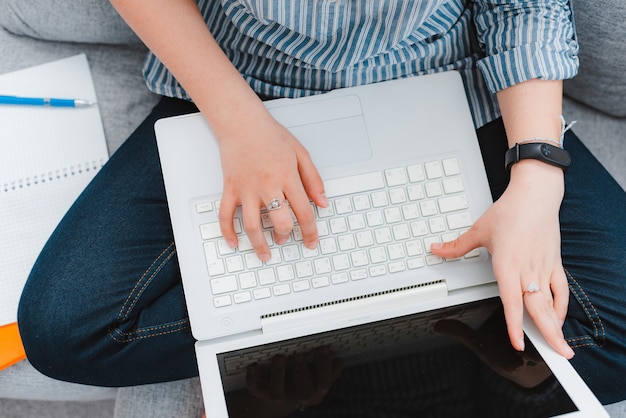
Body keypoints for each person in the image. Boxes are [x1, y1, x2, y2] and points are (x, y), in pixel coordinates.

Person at [16, 0, 626, 406]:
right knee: (62, 332)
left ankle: (326, 351)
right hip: (243, 84)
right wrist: (239, 124)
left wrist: (537, 180)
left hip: (449, 85)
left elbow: (522, 5)